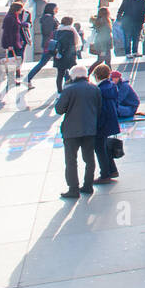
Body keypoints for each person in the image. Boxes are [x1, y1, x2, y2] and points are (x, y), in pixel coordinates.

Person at [55, 65, 101, 199]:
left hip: (71, 131)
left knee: (71, 160)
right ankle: (88, 185)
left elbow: (59, 109)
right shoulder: (95, 88)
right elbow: (99, 108)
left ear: (73, 76)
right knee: (89, 159)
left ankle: (73, 189)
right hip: (90, 129)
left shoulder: (69, 89)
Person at [92, 64, 121, 183]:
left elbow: (100, 110)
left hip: (102, 123)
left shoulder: (99, 90)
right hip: (111, 121)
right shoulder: (112, 86)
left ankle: (105, 174)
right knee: (105, 147)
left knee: (99, 148)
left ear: (97, 75)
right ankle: (112, 170)